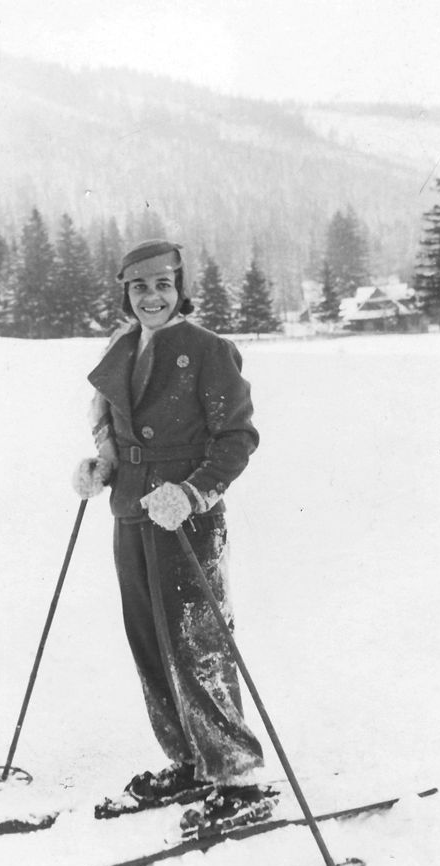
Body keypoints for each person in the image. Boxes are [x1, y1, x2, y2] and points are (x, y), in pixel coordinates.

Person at [73, 239, 268, 828]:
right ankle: (189, 761)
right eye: (138, 287)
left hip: (186, 517)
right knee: (150, 641)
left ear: (180, 288)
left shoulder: (208, 350)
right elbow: (113, 426)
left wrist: (189, 492)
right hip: (132, 510)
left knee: (196, 643)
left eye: (162, 285)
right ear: (126, 294)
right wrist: (102, 466)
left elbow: (237, 440)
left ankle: (235, 775)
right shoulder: (124, 347)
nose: (151, 298)